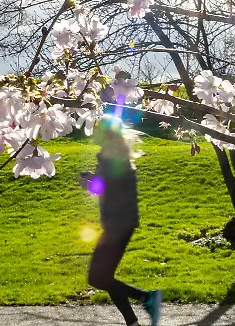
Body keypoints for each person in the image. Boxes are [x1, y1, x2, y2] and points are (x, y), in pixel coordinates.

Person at [79, 118, 162, 326]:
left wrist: (87, 184)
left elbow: (104, 187)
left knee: (99, 278)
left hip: (117, 225)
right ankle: (141, 308)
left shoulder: (110, 160)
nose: (93, 133)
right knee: (101, 277)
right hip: (120, 223)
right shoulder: (116, 157)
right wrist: (92, 178)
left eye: (97, 130)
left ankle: (146, 300)